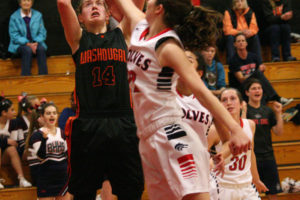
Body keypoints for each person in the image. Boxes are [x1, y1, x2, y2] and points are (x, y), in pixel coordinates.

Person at [110, 0, 252, 199]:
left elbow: (201, 91)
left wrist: (235, 129)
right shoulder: (140, 26)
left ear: (159, 9)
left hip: (169, 132)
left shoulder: (168, 47)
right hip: (147, 137)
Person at [57, 0, 145, 199]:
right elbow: (63, 3)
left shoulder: (124, 34)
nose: (94, 6)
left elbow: (137, 4)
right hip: (89, 124)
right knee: (82, 193)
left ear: (108, 14)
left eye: (99, 3)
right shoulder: (78, 39)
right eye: (88, 4)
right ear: (80, 17)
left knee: (131, 191)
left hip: (123, 121)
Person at [217, 88, 268, 200]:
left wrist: (256, 179)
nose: (229, 102)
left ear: (241, 104)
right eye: (224, 100)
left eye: (233, 98)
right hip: (223, 187)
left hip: (246, 187)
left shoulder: (250, 125)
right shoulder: (214, 130)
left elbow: (251, 154)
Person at [228, 32, 293, 106]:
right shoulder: (233, 60)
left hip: (255, 86)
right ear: (235, 44)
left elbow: (261, 70)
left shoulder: (254, 56)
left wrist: (262, 69)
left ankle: (271, 99)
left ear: (246, 43)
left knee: (259, 84)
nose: (241, 43)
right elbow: (241, 79)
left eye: (243, 41)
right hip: (242, 88)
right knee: (258, 75)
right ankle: (277, 98)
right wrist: (256, 73)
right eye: (238, 41)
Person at [245, 78, 283, 200]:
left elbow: (279, 132)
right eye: (254, 88)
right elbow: (242, 131)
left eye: (259, 88)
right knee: (249, 194)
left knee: (272, 193)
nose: (257, 91)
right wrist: (243, 111)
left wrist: (278, 113)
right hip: (251, 159)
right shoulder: (245, 111)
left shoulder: (268, 111)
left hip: (268, 157)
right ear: (247, 92)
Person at [30, 103, 68, 199]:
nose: (52, 115)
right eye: (48, 113)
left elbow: (68, 156)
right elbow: (40, 157)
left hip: (63, 178)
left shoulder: (62, 133)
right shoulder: (37, 135)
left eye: (54, 113)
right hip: (46, 179)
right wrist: (44, 139)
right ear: (42, 116)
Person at [8, 0, 48, 76]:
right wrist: (27, 43)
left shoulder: (38, 15)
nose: (26, 3)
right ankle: (25, 78)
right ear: (20, 3)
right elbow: (14, 35)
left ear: (32, 3)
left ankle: (44, 77)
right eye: (24, 0)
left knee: (41, 49)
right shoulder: (14, 17)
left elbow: (42, 32)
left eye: (28, 0)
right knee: (27, 50)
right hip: (19, 45)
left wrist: (36, 42)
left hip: (35, 43)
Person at [0, 97, 32, 189]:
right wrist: (6, 141)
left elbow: (15, 143)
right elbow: (9, 141)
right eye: (12, 110)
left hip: (5, 156)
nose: (14, 112)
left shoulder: (14, 123)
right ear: (4, 113)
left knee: (12, 149)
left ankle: (21, 178)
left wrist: (4, 142)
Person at [15, 93, 40, 158]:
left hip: (37, 147)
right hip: (25, 150)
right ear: (29, 110)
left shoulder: (40, 119)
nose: (40, 109)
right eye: (37, 107)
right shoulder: (20, 121)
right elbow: (21, 144)